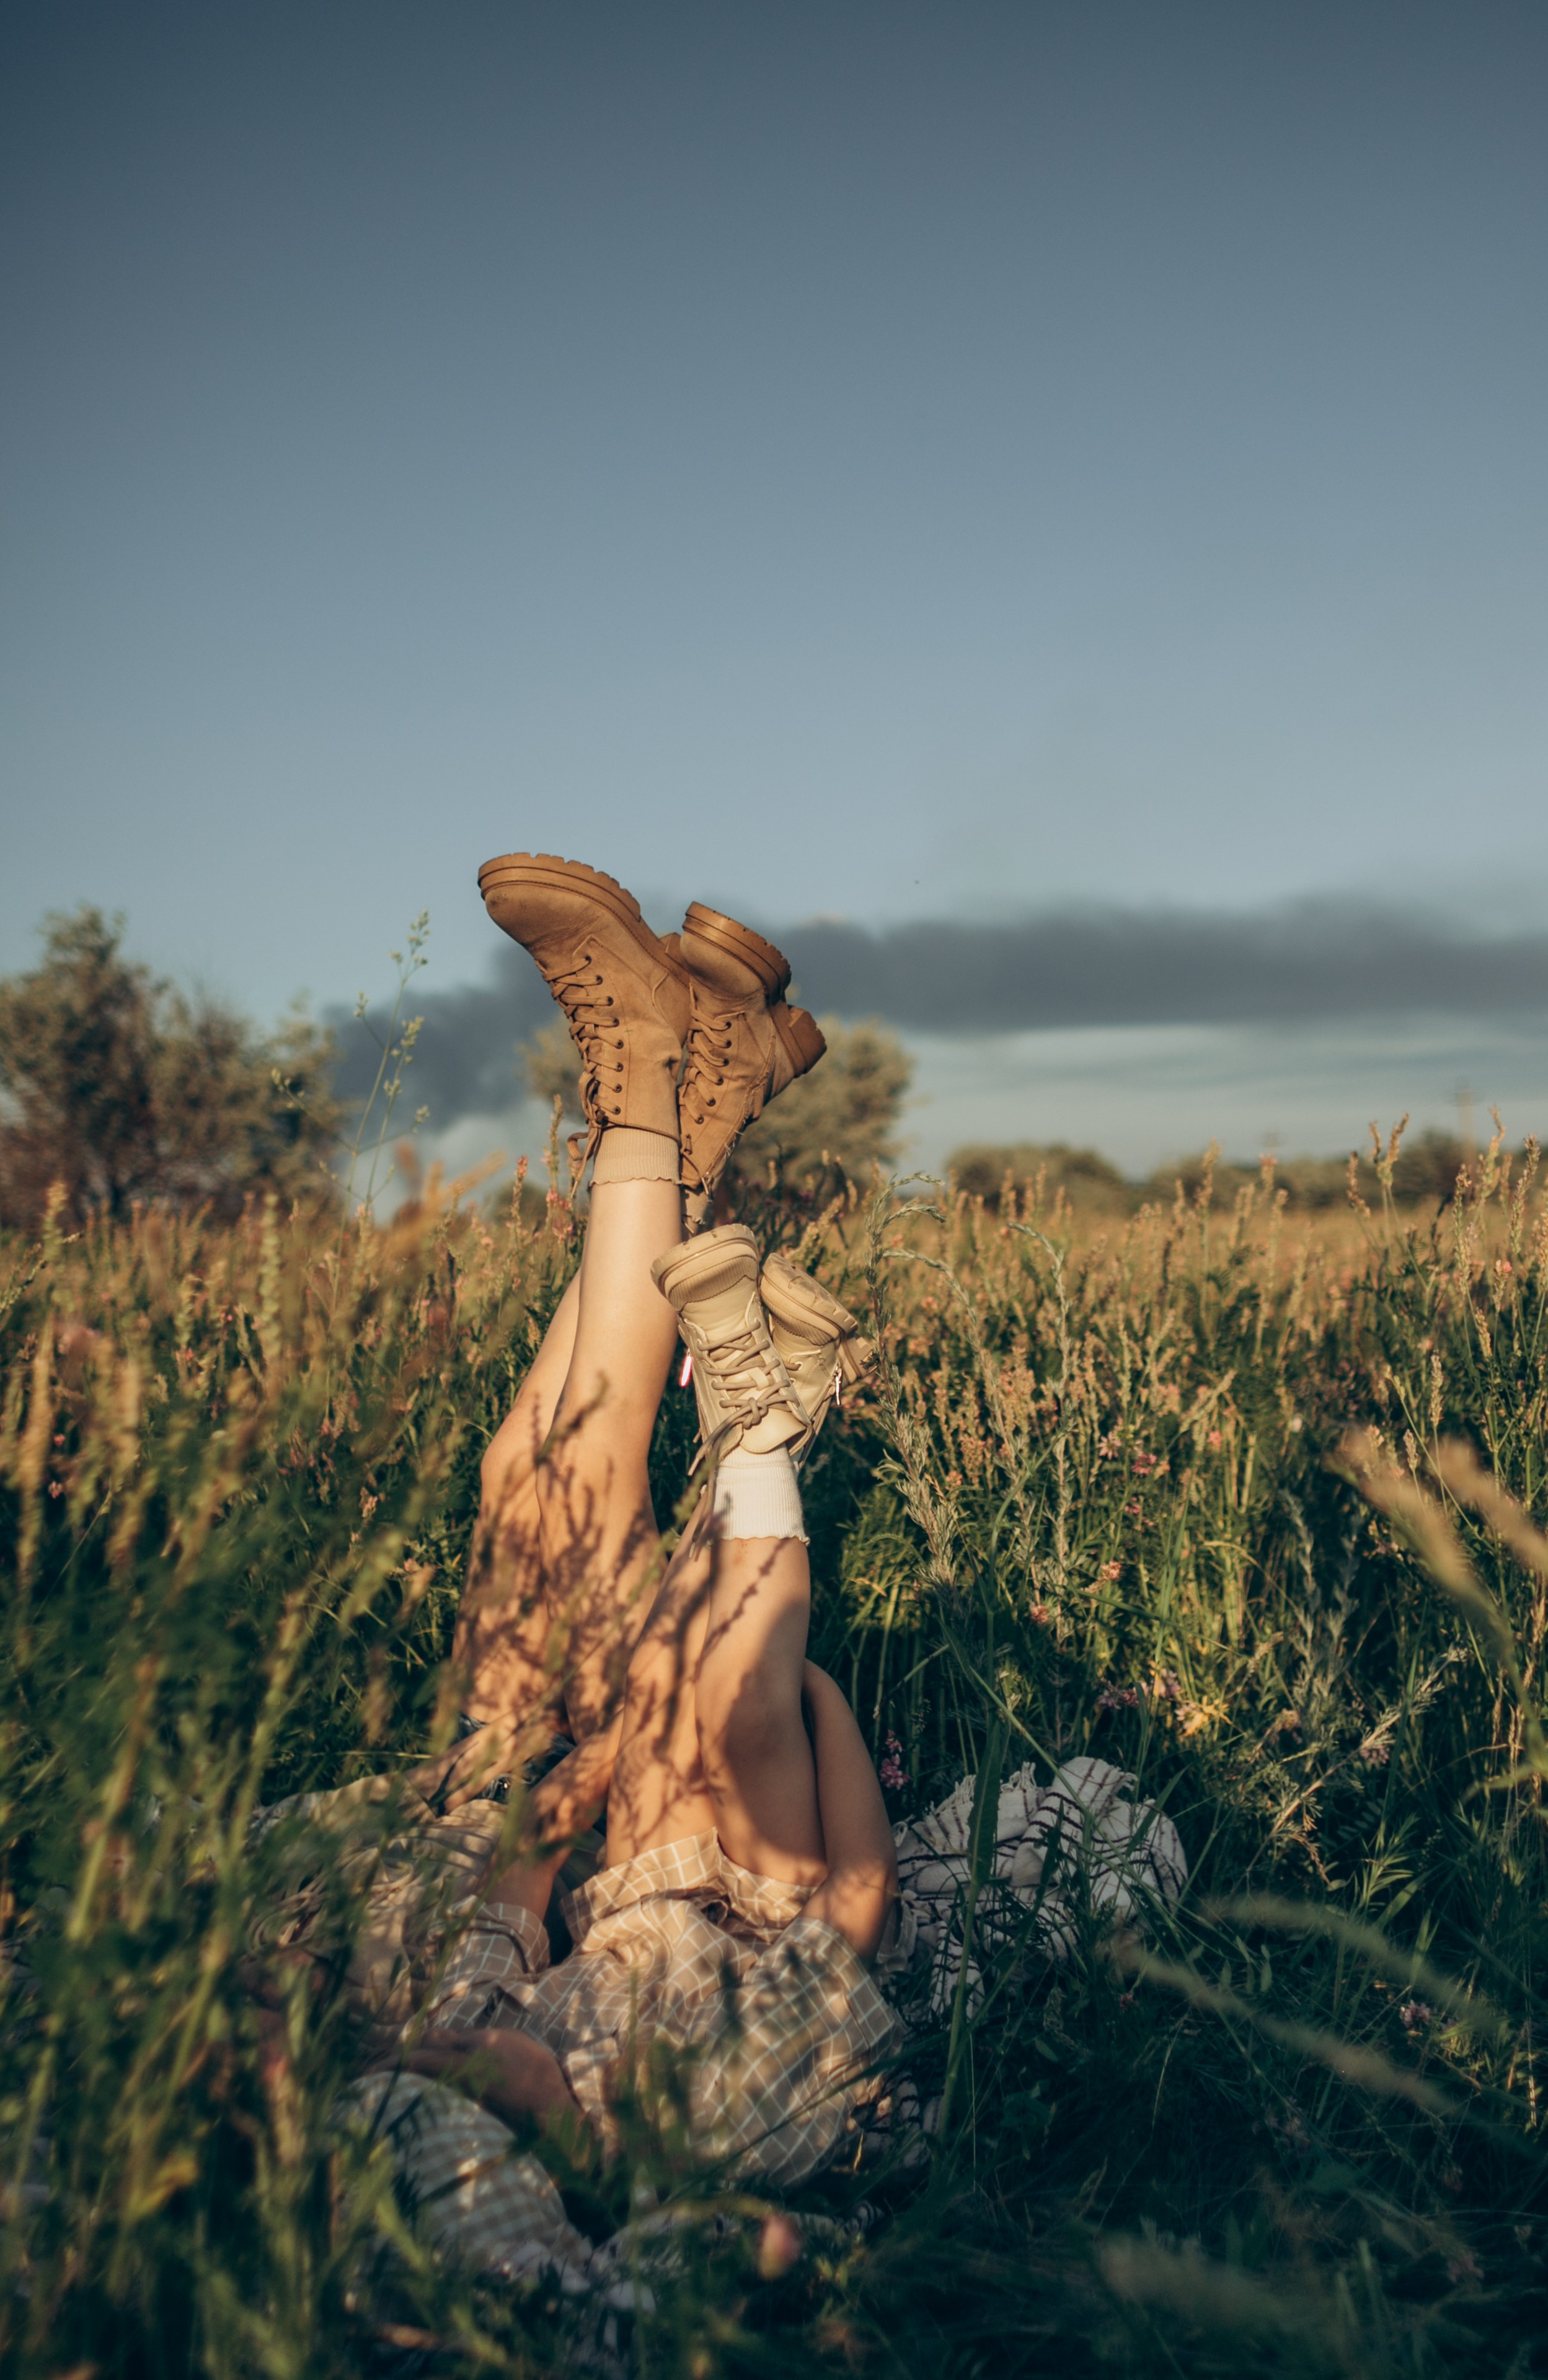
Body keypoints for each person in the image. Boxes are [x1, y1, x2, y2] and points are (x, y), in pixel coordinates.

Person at [334, 856, 899, 2290]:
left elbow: (510, 1908)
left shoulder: (454, 2040)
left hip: (510, 1795)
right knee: (575, 1481)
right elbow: (843, 1919)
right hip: (577, 1793)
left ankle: (688, 1104)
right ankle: (658, 1095)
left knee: (529, 1477)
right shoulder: (694, 2106)